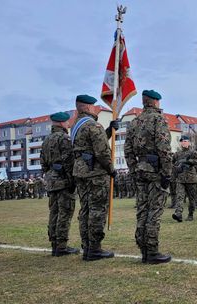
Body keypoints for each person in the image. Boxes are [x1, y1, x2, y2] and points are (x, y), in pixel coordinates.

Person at [124, 90, 173, 264]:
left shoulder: (134, 122)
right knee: (155, 211)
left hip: (140, 170)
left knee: (142, 210)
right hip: (155, 172)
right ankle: (152, 251)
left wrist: (134, 169)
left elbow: (127, 150)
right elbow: (164, 149)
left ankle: (143, 249)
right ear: (156, 102)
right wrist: (167, 172)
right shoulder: (158, 119)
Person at [72, 94, 118, 261]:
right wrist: (111, 169)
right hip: (96, 174)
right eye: (95, 106)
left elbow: (89, 145)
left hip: (81, 172)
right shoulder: (93, 125)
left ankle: (87, 247)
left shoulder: (76, 126)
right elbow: (101, 151)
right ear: (89, 107)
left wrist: (109, 131)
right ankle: (95, 249)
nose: (97, 108)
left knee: (85, 210)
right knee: (97, 210)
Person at [40, 111, 79, 256]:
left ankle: (54, 245)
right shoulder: (64, 139)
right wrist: (72, 180)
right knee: (65, 213)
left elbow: (43, 163)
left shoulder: (46, 140)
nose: (69, 124)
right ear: (62, 123)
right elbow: (69, 162)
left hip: (51, 180)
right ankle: (62, 246)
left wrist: (49, 175)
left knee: (54, 212)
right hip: (63, 181)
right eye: (67, 122)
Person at [172, 135, 197, 222]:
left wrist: (188, 161)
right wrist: (177, 167)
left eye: (185, 141)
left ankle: (190, 214)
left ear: (188, 142)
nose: (183, 142)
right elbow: (172, 163)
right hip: (180, 179)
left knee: (191, 198)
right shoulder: (177, 154)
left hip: (191, 179)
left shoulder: (193, 153)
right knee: (179, 197)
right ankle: (178, 214)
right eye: (182, 141)